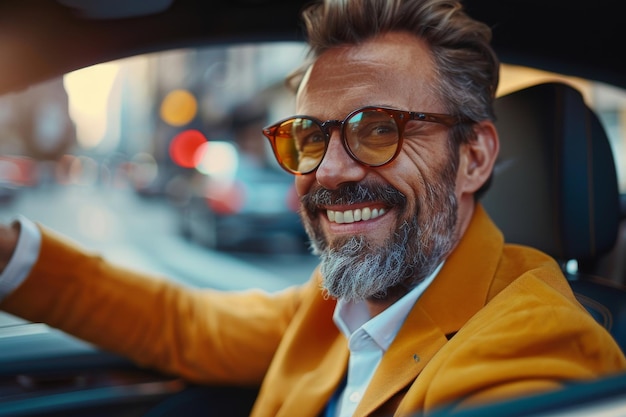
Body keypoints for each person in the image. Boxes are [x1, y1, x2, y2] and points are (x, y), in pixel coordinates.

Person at [1, 0, 625, 416]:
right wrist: (10, 255)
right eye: (309, 136)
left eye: (378, 130)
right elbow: (184, 324)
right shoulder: (335, 307)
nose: (327, 171)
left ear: (473, 158)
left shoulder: (534, 348)